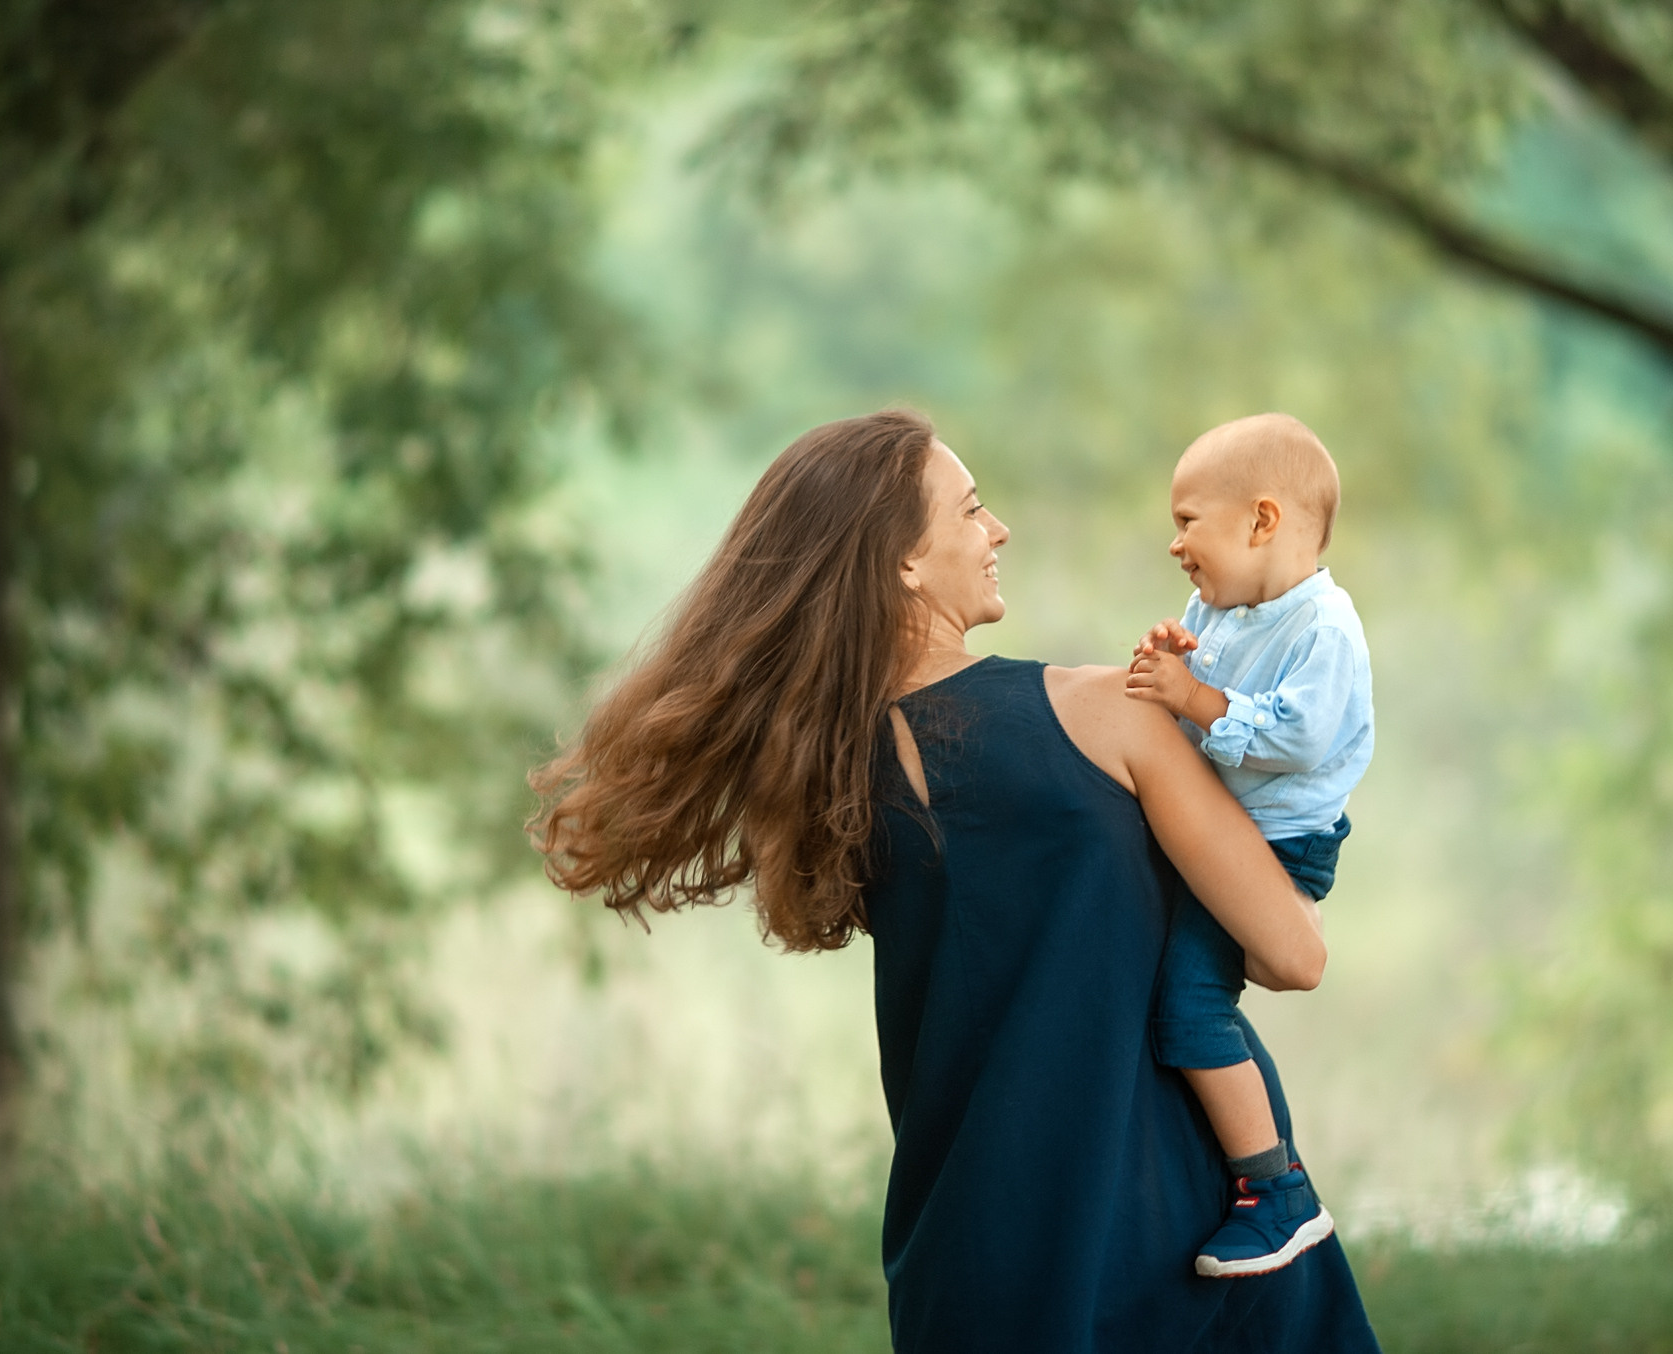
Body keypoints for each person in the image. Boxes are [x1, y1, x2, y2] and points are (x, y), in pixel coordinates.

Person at [531, 410, 1381, 1353]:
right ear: (902, 560)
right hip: (1172, 1231)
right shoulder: (1110, 716)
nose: (999, 529)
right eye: (972, 510)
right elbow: (1291, 955)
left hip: (967, 1253)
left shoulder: (827, 778)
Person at [1126, 414, 1376, 1278]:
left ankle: (1275, 1191)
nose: (1175, 545)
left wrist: (1194, 701)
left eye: (1189, 521)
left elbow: (1298, 738)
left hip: (1276, 849)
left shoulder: (1325, 630)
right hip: (1225, 828)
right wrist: (1175, 663)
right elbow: (1200, 690)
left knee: (1190, 1006)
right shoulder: (1223, 607)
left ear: (1261, 522)